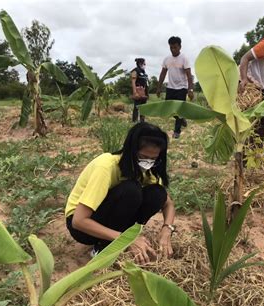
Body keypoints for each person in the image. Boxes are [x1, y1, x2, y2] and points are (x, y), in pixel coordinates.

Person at [65, 122, 176, 263]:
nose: (147, 163)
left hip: (107, 222)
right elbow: (78, 221)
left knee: (157, 193)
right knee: (131, 190)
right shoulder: (106, 166)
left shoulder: (147, 173)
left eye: (153, 159)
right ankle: (102, 248)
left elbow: (168, 204)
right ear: (131, 150)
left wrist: (167, 230)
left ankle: (120, 238)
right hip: (83, 228)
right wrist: (126, 239)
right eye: (142, 157)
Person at [156, 36, 194, 139]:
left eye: (175, 47)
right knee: (170, 109)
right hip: (170, 87)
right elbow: (163, 74)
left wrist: (190, 89)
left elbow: (189, 76)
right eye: (171, 47)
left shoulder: (184, 59)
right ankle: (182, 119)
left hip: (182, 88)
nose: (173, 50)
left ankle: (177, 131)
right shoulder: (167, 59)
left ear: (180, 47)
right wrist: (159, 87)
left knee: (179, 109)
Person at [131, 58, 149, 122]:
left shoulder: (143, 71)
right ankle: (134, 121)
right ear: (140, 63)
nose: (145, 65)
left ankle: (142, 121)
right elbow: (133, 82)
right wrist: (135, 92)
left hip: (144, 92)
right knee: (136, 107)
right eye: (144, 63)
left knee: (143, 107)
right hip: (138, 91)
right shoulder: (135, 71)